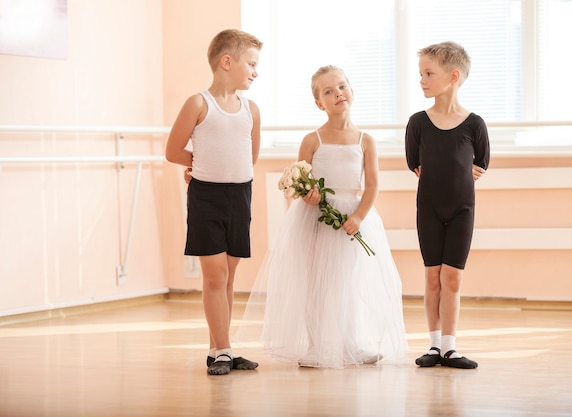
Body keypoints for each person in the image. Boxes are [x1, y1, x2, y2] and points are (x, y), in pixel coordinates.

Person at [236, 65, 408, 369]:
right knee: (317, 281)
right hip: (316, 218)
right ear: (319, 103)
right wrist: (309, 194)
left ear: (352, 92)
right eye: (328, 91)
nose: (338, 93)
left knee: (347, 282)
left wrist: (358, 216)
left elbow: (372, 184)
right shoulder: (312, 139)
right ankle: (317, 346)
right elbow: (301, 180)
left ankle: (351, 344)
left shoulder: (365, 140)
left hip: (352, 218)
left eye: (342, 86)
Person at [165, 28, 263, 376]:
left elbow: (248, 157)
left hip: (241, 195)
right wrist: (197, 165)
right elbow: (172, 150)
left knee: (229, 276)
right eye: (251, 63)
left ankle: (216, 348)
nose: (255, 71)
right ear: (227, 62)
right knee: (215, 275)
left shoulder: (251, 109)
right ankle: (225, 350)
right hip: (207, 197)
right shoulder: (198, 103)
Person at [404, 41, 490, 369]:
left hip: (462, 209)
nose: (422, 80)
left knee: (452, 277)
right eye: (420, 73)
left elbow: (480, 163)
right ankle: (434, 345)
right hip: (428, 207)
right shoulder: (418, 123)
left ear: (453, 76)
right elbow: (416, 164)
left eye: (428, 73)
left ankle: (451, 348)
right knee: (432, 276)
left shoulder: (474, 124)